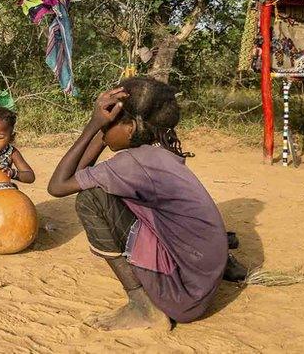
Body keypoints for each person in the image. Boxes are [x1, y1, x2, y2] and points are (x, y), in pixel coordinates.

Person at [47, 77, 234, 331]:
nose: (103, 131)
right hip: (202, 278)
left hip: (183, 295)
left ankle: (142, 306)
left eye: (108, 125)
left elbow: (57, 186)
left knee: (91, 199)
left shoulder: (131, 165)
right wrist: (105, 132)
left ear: (130, 128)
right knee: (103, 190)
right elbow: (79, 175)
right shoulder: (157, 154)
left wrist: (93, 126)